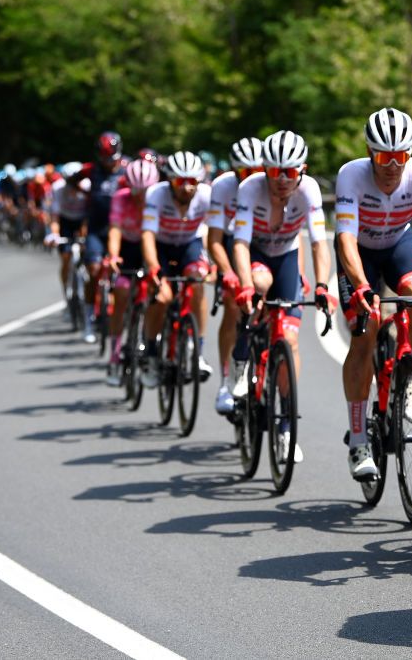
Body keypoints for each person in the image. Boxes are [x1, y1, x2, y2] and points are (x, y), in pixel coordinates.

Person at [334, 107, 412, 480]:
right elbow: (346, 239)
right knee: (364, 334)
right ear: (370, 152)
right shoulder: (351, 175)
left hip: (399, 243)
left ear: (409, 154)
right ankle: (358, 437)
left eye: (400, 156)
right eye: (383, 156)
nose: (392, 165)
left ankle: (411, 377)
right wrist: (362, 285)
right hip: (360, 254)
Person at [230, 130, 332, 464]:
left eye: (289, 172)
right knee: (259, 284)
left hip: (287, 256)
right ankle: (242, 360)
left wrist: (321, 287)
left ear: (301, 170)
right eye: (274, 171)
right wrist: (244, 285)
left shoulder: (309, 190)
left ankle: (287, 423)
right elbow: (241, 243)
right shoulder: (250, 188)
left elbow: (319, 242)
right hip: (258, 256)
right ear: (266, 170)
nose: (282, 179)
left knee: (289, 338)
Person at [140, 151, 213, 387]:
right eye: (181, 181)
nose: (187, 187)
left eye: (192, 181)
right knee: (162, 297)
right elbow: (148, 234)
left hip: (189, 244)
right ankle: (151, 353)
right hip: (161, 246)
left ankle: (197, 352)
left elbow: (214, 232)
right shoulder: (157, 194)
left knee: (198, 283)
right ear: (170, 180)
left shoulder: (206, 195)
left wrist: (211, 264)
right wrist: (153, 269)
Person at [206, 137, 264, 414]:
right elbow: (214, 239)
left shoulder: (270, 183)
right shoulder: (222, 187)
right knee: (232, 306)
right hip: (231, 243)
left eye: (256, 171)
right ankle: (224, 381)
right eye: (244, 173)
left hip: (262, 243)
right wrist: (228, 273)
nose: (251, 178)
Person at [103, 159, 159, 385]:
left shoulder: (159, 199)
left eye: (146, 190)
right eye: (136, 189)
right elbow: (115, 231)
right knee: (122, 292)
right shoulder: (120, 198)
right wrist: (113, 255)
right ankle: (115, 354)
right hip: (127, 247)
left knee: (155, 294)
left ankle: (152, 343)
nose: (141, 196)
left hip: (152, 246)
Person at [79, 131, 129, 344]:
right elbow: (72, 181)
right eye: (104, 158)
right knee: (93, 270)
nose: (108, 163)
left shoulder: (127, 170)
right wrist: (85, 196)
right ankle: (90, 317)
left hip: (120, 228)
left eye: (111, 158)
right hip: (96, 228)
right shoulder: (91, 170)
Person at [44, 162, 90, 300]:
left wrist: (85, 233)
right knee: (65, 257)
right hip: (65, 221)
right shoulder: (57, 188)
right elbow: (55, 217)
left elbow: (91, 212)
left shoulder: (88, 185)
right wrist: (54, 234)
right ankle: (66, 290)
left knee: (87, 254)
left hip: (83, 219)